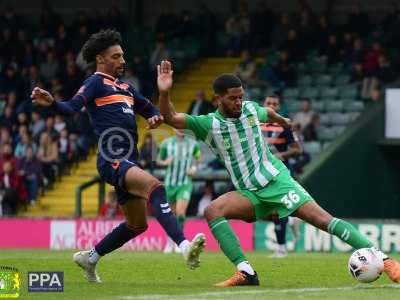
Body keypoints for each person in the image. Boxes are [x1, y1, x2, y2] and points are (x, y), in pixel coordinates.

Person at [157, 61, 400, 287]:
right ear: (218, 99)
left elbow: (267, 113)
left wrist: (282, 120)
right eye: (233, 99)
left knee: (324, 221)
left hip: (278, 182)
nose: (239, 102)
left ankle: (386, 260)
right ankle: (246, 272)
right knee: (213, 210)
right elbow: (171, 117)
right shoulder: (207, 124)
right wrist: (165, 92)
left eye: (241, 97)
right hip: (249, 192)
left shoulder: (250, 109)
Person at [31, 30, 205, 284]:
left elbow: (151, 109)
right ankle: (184, 246)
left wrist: (155, 115)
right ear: (101, 59)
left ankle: (90, 258)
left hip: (129, 159)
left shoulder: (126, 88)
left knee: (137, 225)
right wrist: (53, 103)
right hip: (112, 156)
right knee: (155, 188)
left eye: (122, 55)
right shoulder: (95, 82)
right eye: (116, 56)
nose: (123, 60)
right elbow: (71, 108)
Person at [261, 94, 302, 258]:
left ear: (278, 107)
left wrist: (281, 155)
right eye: (268, 102)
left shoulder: (284, 125)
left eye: (274, 104)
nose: (271, 106)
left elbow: (298, 149)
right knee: (266, 211)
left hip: (281, 172)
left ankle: (281, 249)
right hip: (262, 172)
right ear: (263, 104)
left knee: (279, 210)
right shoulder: (256, 124)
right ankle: (292, 221)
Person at [157, 130, 201, 253]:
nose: (180, 129)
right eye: (177, 127)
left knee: (180, 213)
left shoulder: (193, 144)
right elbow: (159, 160)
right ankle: (170, 241)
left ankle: (179, 242)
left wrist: (194, 168)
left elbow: (198, 158)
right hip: (170, 184)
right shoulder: (166, 143)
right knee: (170, 215)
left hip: (185, 183)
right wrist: (165, 162)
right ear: (173, 129)